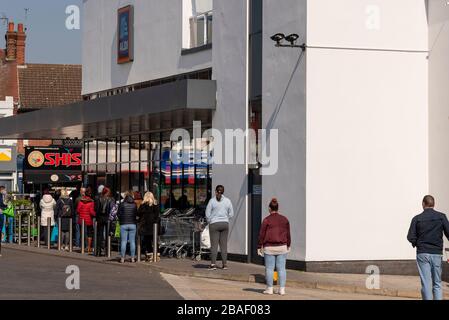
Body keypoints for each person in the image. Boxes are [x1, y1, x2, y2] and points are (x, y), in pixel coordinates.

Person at [407, 195, 449, 300]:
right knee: (437, 283)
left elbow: (410, 236)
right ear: (434, 204)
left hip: (422, 253)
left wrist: (417, 244)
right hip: (436, 254)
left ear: (423, 204)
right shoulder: (441, 217)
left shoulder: (417, 218)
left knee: (426, 283)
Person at [257, 198, 291, 296]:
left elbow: (261, 234)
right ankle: (282, 289)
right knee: (281, 269)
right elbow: (288, 234)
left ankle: (270, 289)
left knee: (269, 268)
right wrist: (288, 244)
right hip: (282, 247)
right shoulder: (285, 219)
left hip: (269, 248)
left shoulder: (266, 220)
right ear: (278, 208)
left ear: (269, 208)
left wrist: (259, 246)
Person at [205, 185, 234, 270]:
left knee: (214, 245)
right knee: (223, 245)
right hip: (225, 224)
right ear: (223, 191)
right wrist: (226, 219)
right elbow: (231, 214)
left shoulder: (212, 201)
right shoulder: (228, 201)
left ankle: (213, 264)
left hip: (214, 224)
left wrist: (210, 221)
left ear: (215, 191)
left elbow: (207, 214)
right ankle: (224, 265)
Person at [137, 192, 160, 258]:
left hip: (145, 225)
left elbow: (138, 213)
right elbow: (157, 215)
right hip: (153, 226)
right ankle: (156, 253)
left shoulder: (143, 205)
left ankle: (149, 253)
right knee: (154, 240)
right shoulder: (155, 204)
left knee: (147, 240)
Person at [118, 191, 137, 263]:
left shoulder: (122, 204)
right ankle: (132, 258)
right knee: (132, 241)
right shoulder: (134, 204)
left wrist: (121, 219)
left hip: (123, 224)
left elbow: (118, 214)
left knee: (123, 241)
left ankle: (122, 258)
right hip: (132, 224)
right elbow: (136, 214)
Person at [95, 187, 113, 256]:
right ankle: (107, 251)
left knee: (99, 235)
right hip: (107, 218)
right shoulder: (110, 199)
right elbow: (112, 210)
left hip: (100, 218)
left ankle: (98, 252)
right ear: (107, 192)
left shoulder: (98, 198)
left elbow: (96, 209)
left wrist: (97, 218)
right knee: (107, 234)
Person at [77, 188, 96, 254]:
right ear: (90, 194)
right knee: (89, 234)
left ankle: (82, 247)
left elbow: (78, 210)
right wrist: (95, 214)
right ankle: (88, 247)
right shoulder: (91, 202)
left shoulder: (80, 201)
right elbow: (91, 212)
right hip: (89, 220)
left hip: (81, 219)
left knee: (82, 233)